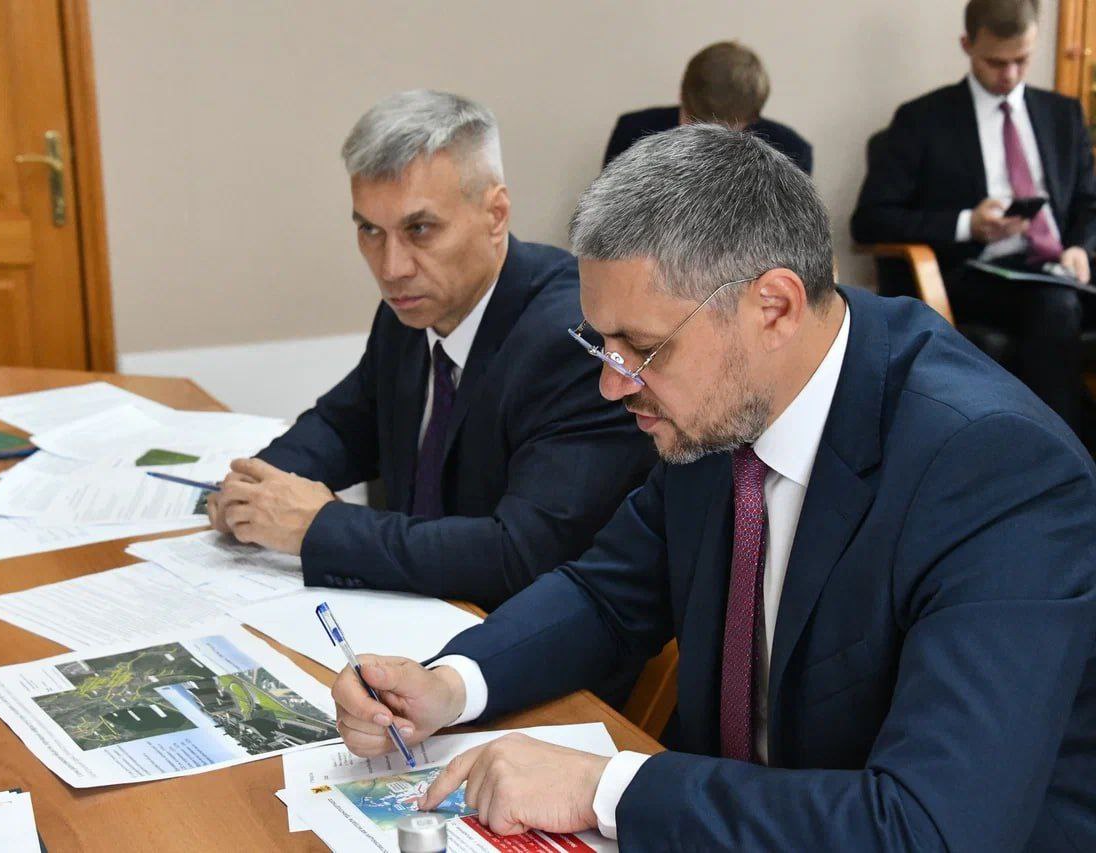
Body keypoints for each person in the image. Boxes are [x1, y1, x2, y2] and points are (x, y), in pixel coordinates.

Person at [330, 125, 1096, 849]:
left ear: (775, 307)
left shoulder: (997, 471)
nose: (611, 383)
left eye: (641, 347)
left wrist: (606, 788)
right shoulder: (723, 401)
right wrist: (450, 684)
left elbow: (926, 829)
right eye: (600, 343)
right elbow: (607, 594)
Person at [206, 90, 654, 612]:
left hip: (512, 635)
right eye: (370, 230)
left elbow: (519, 553)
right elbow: (345, 425)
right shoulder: (413, 310)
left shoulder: (572, 339)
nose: (391, 267)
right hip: (406, 615)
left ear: (496, 214)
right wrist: (255, 484)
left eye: (419, 229)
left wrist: (319, 528)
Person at [852, 0, 1096, 434]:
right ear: (967, 45)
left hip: (1062, 270)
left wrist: (1080, 247)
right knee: (1056, 306)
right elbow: (870, 220)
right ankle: (1063, 456)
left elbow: (1088, 202)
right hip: (977, 275)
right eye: (995, 62)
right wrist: (968, 224)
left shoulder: (1062, 115)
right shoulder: (922, 120)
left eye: (1022, 60)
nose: (1010, 75)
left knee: (1060, 299)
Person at [603, 40, 812, 174]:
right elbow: (606, 222)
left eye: (724, 129)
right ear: (681, 95)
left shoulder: (790, 154)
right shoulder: (633, 134)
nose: (707, 140)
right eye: (696, 123)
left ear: (751, 118)